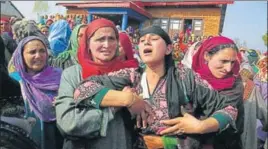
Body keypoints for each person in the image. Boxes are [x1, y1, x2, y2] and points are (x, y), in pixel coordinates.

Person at [73, 26, 244, 149]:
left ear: (169, 48)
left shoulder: (184, 77)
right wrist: (128, 99)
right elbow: (82, 90)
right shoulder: (132, 76)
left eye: (154, 39)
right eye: (141, 41)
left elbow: (229, 109)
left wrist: (201, 126)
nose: (146, 41)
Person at [55, 18, 139, 149]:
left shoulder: (129, 75)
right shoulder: (73, 74)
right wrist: (114, 107)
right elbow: (68, 122)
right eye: (100, 39)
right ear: (88, 44)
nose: (107, 45)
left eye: (112, 39)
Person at [8, 36, 63, 149]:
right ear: (21, 56)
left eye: (42, 51)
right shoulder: (13, 82)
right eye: (32, 52)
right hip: (27, 139)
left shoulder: (60, 76)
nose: (38, 56)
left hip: (59, 137)